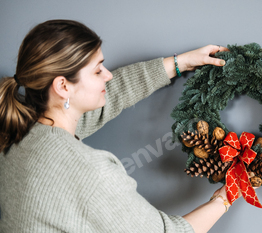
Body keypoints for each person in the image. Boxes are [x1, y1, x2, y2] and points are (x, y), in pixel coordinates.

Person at [0, 19, 235, 233]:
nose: (108, 75)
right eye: (97, 70)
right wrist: (225, 197)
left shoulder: (18, 130)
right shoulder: (90, 172)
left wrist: (179, 63)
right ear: (62, 86)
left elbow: (114, 94)